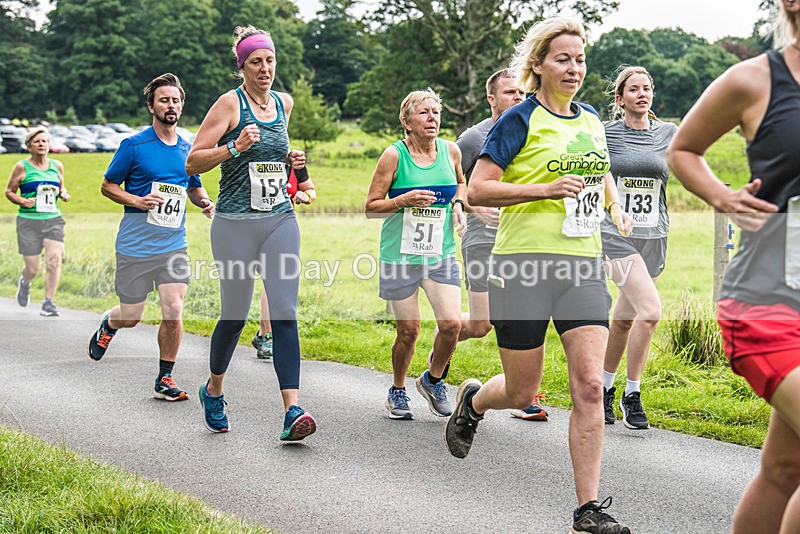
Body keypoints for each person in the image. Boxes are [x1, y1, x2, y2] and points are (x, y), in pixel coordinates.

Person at [443, 17, 633, 534]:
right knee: (524, 393)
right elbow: (479, 190)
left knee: (590, 386)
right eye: (562, 59)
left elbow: (601, 170)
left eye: (580, 59)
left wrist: (614, 206)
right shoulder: (518, 120)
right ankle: (475, 400)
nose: (574, 69)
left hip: (581, 267)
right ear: (539, 65)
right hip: (520, 268)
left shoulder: (592, 118)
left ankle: (587, 509)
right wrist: (544, 191)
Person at [667, 1, 800, 531]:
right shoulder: (753, 81)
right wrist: (723, 197)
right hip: (767, 307)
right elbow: (684, 150)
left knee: (784, 468)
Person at [186, 26, 316, 441]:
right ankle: (214, 389)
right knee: (235, 315)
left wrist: (297, 166)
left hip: (279, 218)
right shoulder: (229, 104)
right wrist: (235, 147)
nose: (265, 68)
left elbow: (277, 159)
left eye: (270, 60)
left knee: (284, 312)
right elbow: (193, 163)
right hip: (234, 224)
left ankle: (292, 409)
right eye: (256, 61)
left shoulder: (284, 103)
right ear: (241, 66)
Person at [87, 73, 214, 403]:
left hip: (173, 244)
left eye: (175, 100)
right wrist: (137, 201)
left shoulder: (188, 150)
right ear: (151, 106)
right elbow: (108, 186)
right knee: (132, 315)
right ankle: (110, 324)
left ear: (181, 105)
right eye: (163, 100)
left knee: (174, 308)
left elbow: (193, 185)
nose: (170, 106)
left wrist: (204, 202)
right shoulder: (134, 146)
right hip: (135, 245)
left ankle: (165, 377)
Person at [365, 88, 467, 421]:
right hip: (400, 256)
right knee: (409, 331)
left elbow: (461, 184)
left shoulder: (451, 151)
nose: (432, 118)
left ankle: (432, 379)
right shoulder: (394, 156)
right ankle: (397, 389)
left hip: (440, 253)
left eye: (436, 112)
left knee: (451, 324)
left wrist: (459, 204)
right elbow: (371, 208)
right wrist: (402, 201)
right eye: (424, 112)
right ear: (407, 121)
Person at [455, 69, 548, 422]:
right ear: (491, 98)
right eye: (510, 92)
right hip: (481, 239)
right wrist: (476, 208)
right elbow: (454, 189)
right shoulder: (471, 139)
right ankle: (446, 337)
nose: (518, 99)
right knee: (481, 325)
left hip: (521, 241)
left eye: (523, 93)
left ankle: (522, 394)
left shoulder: (532, 132)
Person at [600, 66, 678, 430]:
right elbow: (593, 176)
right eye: (634, 89)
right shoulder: (605, 133)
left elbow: (689, 160)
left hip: (654, 235)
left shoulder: (668, 133)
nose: (642, 94)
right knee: (650, 312)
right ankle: (633, 394)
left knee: (624, 320)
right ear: (620, 98)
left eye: (647, 88)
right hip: (615, 235)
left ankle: (603, 389)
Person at [252, 162, 316, 360]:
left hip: (280, 231)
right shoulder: (258, 157)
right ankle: (265, 335)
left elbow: (310, 189)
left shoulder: (295, 162)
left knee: (273, 281)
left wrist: (306, 196)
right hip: (251, 226)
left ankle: (265, 335)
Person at [5, 127, 69, 317]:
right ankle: (25, 284)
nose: (42, 144)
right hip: (28, 221)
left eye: (45, 141)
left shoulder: (57, 166)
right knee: (33, 268)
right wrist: (23, 200)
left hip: (53, 220)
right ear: (29, 146)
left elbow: (61, 188)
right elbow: (9, 192)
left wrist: (64, 194)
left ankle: (48, 303)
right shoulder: (22, 167)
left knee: (54, 260)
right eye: (37, 142)